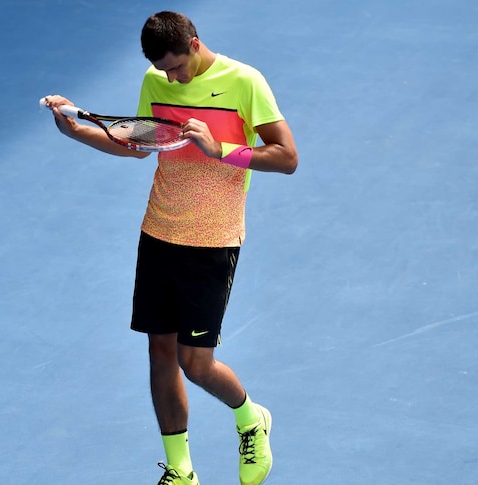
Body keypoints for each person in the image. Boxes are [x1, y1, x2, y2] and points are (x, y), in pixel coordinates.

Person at [42, 11, 298, 485]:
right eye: (164, 71)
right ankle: (181, 471)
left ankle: (250, 418)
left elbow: (287, 158)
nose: (172, 78)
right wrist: (79, 130)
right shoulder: (155, 78)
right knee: (160, 352)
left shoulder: (245, 82)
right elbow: (140, 144)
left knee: (194, 362)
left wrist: (221, 150)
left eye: (178, 68)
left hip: (213, 239)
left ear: (196, 45)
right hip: (159, 229)